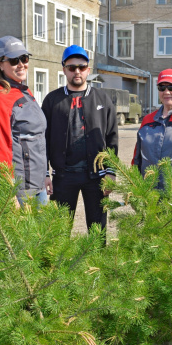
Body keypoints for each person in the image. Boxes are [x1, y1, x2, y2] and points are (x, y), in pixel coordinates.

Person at [41, 44, 118, 232]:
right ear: (64, 69)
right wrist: (45, 173)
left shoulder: (102, 99)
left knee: (97, 232)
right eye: (72, 67)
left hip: (96, 176)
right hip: (63, 176)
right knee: (59, 232)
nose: (77, 71)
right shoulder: (52, 100)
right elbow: (43, 140)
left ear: (88, 70)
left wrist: (110, 172)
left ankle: (96, 254)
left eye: (81, 67)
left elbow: (112, 138)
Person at [0, 35, 49, 205]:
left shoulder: (24, 91)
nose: (21, 64)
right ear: (0, 64)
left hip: (38, 185)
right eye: (13, 60)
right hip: (20, 191)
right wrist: (9, 192)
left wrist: (46, 175)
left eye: (24, 58)